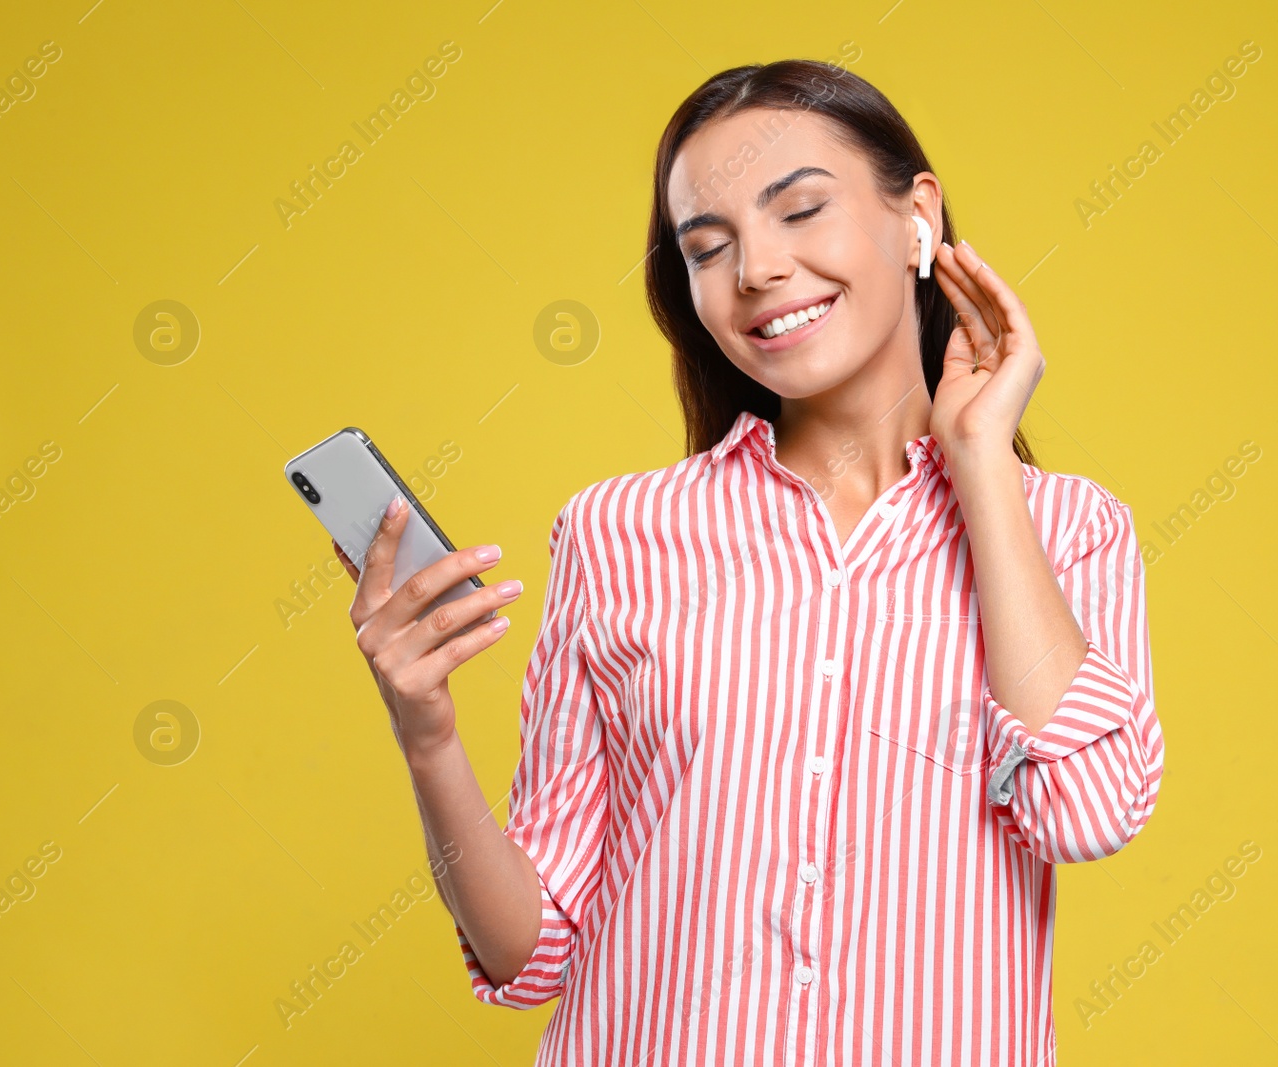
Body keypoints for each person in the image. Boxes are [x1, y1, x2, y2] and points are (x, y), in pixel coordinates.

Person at [333, 59, 1165, 1066]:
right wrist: (426, 737)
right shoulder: (617, 532)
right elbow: (532, 949)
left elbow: (1087, 808)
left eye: (799, 210)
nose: (757, 269)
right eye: (707, 246)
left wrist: (981, 459)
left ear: (918, 219)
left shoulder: (1071, 530)